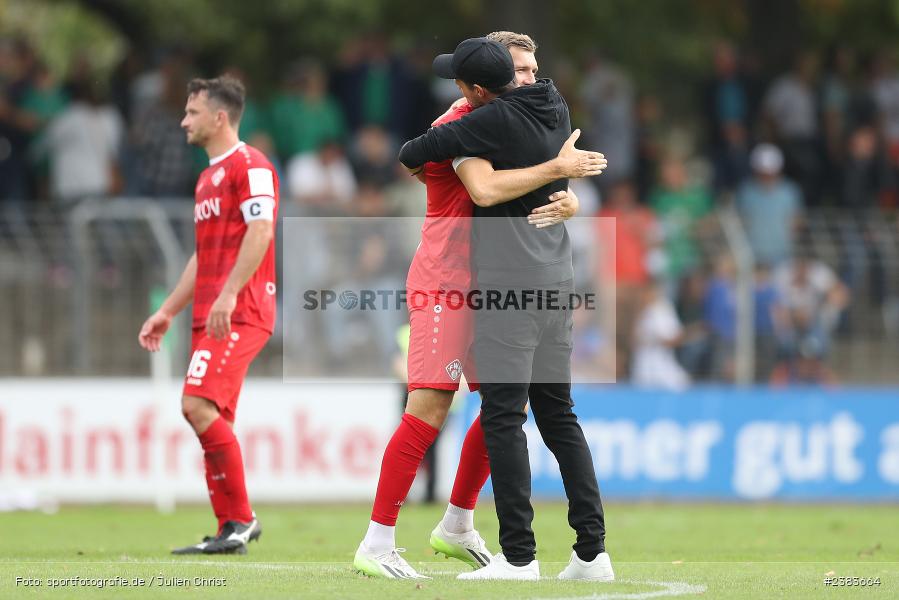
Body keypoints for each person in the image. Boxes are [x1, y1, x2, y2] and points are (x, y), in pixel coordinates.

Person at [354, 34, 606, 580]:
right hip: (447, 278)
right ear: (488, 78)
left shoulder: (515, 117)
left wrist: (569, 198)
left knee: (503, 405)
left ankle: (458, 524)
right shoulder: (468, 122)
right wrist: (552, 173)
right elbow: (482, 188)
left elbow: (539, 185)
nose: (529, 78)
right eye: (518, 68)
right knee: (429, 408)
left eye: (533, 68)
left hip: (494, 281)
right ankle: (377, 541)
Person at [138, 75, 278, 555]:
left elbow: (260, 232)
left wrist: (229, 294)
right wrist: (167, 311)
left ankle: (242, 519)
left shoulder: (252, 165)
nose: (183, 121)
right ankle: (229, 529)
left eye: (192, 112)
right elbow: (202, 256)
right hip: (210, 314)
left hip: (241, 311)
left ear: (220, 117)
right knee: (211, 414)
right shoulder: (205, 179)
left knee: (195, 405)